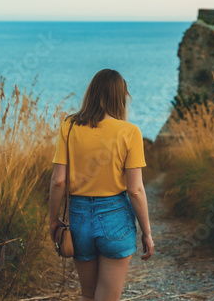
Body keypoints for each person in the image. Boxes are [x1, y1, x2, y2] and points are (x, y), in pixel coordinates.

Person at [49, 69, 155, 301]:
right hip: (115, 217)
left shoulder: (69, 126)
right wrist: (146, 232)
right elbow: (135, 190)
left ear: (92, 92)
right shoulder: (130, 132)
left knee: (88, 295)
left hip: (79, 218)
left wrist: (53, 219)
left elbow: (58, 181)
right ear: (120, 97)